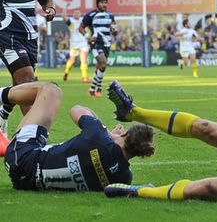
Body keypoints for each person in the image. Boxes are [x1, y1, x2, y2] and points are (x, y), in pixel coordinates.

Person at [2, 82, 155, 191]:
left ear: (124, 133)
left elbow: (76, 110)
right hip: (24, 182)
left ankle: (3, 96)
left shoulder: (98, 135)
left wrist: (108, 132)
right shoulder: (124, 177)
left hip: (21, 155)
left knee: (51, 90)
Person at [0, 0, 55, 137]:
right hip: (7, 37)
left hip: (31, 38)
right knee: (27, 80)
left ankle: (4, 111)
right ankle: (32, 134)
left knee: (20, 86)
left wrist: (50, 8)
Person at [80, 0, 117, 97]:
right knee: (103, 63)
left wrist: (114, 29)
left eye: (106, 3)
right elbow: (81, 27)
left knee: (100, 66)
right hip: (95, 43)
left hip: (106, 43)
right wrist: (88, 37)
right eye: (102, 3)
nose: (104, 5)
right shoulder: (90, 15)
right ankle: (98, 87)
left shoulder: (110, 15)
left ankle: (92, 88)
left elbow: (114, 31)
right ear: (97, 4)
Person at [62, 3, 90, 83]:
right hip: (74, 44)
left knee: (83, 60)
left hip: (83, 43)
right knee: (72, 61)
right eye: (75, 13)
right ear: (73, 14)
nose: (77, 14)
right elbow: (64, 17)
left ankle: (84, 77)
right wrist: (65, 8)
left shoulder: (83, 21)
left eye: (78, 13)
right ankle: (66, 72)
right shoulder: (71, 22)